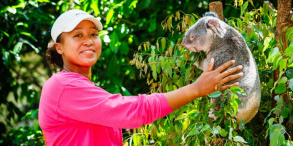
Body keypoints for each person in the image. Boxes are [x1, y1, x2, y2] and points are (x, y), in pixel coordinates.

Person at [39, 9, 244, 145]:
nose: (89, 41)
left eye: (93, 34)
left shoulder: (86, 89)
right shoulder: (62, 86)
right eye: (78, 35)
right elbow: (134, 111)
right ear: (60, 47)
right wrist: (196, 89)